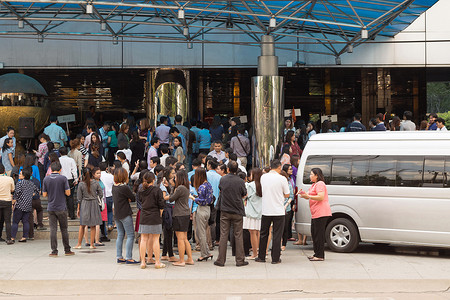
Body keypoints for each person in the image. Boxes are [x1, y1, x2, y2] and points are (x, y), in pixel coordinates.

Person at [255, 159, 290, 264]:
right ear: (279, 167)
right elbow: (287, 194)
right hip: (278, 210)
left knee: (263, 233)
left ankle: (261, 257)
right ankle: (275, 258)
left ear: (270, 167)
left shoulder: (263, 177)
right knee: (277, 234)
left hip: (266, 210)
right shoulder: (282, 179)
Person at [214, 161, 248, 267]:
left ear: (228, 169)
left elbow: (221, 190)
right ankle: (240, 260)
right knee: (238, 235)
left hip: (225, 210)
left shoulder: (223, 179)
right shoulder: (240, 181)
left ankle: (221, 260)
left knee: (223, 235)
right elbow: (244, 193)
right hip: (237, 210)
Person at [298, 168, 332, 261]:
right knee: (314, 234)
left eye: (311, 174)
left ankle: (320, 255)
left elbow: (320, 197)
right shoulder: (314, 185)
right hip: (316, 213)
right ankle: (316, 253)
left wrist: (308, 196)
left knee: (319, 235)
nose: (310, 176)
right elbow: (309, 196)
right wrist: (303, 194)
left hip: (321, 212)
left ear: (317, 175)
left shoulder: (320, 184)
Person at [42, 161, 74, 257]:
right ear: (60, 169)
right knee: (64, 229)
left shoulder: (46, 179)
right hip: (61, 207)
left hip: (51, 207)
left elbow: (44, 194)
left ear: (51, 169)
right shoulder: (63, 178)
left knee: (53, 229)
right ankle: (67, 250)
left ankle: (54, 251)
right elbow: (68, 193)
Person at [138, 172, 166, 269]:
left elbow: (140, 202)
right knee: (155, 239)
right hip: (155, 216)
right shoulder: (157, 190)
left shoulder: (141, 191)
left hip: (144, 216)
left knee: (143, 239)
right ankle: (157, 262)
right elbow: (161, 204)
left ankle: (142, 262)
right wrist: (160, 214)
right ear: (153, 180)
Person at [112, 167, 139, 264]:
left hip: (117, 214)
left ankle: (119, 256)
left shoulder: (114, 186)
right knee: (131, 235)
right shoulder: (124, 187)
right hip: (125, 213)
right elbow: (132, 198)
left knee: (120, 235)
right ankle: (129, 257)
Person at [168, 170, 194, 266]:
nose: (174, 178)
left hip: (179, 214)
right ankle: (190, 259)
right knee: (185, 238)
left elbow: (171, 198)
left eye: (175, 177)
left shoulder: (179, 188)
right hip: (185, 213)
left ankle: (181, 260)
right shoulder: (186, 187)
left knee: (180, 238)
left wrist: (172, 187)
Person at [74, 168, 103, 249]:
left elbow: (79, 198)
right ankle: (92, 244)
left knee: (82, 224)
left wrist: (78, 209)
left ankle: (79, 244)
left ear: (83, 174)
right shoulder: (96, 183)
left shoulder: (81, 184)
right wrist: (96, 198)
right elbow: (101, 193)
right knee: (93, 225)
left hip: (85, 204)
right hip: (94, 203)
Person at [192, 167, 214, 261]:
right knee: (203, 231)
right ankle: (207, 251)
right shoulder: (208, 185)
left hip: (201, 209)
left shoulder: (201, 187)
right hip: (208, 209)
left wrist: (193, 198)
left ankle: (204, 254)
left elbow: (201, 201)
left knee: (201, 232)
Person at [243, 168, 262, 260]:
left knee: (252, 232)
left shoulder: (249, 186)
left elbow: (244, 196)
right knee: (259, 232)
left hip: (251, 212)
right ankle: (259, 251)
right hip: (261, 211)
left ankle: (254, 253)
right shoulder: (263, 185)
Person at [59, 147, 78, 220]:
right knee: (70, 197)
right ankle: (72, 215)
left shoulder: (58, 160)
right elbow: (74, 170)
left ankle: (62, 215)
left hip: (60, 179)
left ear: (60, 153)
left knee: (61, 197)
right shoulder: (71, 160)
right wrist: (76, 179)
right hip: (69, 179)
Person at [281, 164, 295, 251]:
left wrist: (286, 205)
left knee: (285, 227)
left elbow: (291, 196)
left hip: (287, 208)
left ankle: (283, 244)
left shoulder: (289, 183)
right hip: (278, 208)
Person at [0, 164, 15, 244]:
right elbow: (13, 189)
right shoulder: (9, 179)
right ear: (4, 170)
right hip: (7, 201)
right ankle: (9, 238)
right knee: (8, 221)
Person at [100, 162, 115, 231]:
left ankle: (102, 227)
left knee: (101, 212)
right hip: (109, 195)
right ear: (106, 168)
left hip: (101, 197)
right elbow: (114, 184)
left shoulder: (98, 176)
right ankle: (109, 224)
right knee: (109, 211)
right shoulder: (111, 176)